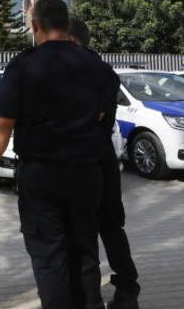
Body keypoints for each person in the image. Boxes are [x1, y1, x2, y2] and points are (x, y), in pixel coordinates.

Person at [0, 0, 118, 309]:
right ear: (68, 26)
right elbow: (104, 118)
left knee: (50, 257)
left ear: (35, 26)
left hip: (42, 176)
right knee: (85, 252)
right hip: (86, 174)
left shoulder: (24, 65)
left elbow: (0, 128)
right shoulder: (98, 66)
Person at [68, 18, 140, 309]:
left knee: (86, 235)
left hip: (84, 163)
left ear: (71, 40)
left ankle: (92, 299)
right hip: (104, 159)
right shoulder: (105, 71)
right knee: (111, 228)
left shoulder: (77, 73)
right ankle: (127, 291)